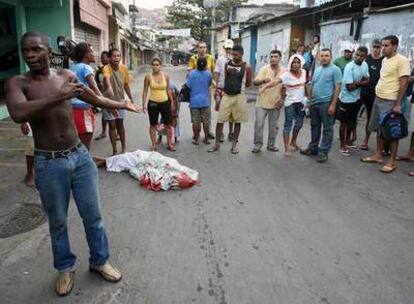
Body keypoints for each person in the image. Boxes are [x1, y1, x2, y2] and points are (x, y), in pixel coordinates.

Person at [5, 31, 138, 296]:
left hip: (79, 157)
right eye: (25, 51)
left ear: (49, 52)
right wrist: (59, 96)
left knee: (93, 216)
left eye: (35, 49)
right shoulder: (17, 83)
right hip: (48, 162)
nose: (30, 55)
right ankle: (65, 268)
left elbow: (94, 98)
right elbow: (19, 113)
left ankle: (100, 261)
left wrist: (121, 104)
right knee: (58, 222)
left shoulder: (66, 77)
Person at [361, 35, 410, 173]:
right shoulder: (385, 60)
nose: (383, 48)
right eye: (382, 45)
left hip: (391, 101)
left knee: (392, 131)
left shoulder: (402, 60)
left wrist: (398, 104)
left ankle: (392, 161)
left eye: (386, 45)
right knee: (379, 128)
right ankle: (378, 155)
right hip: (379, 98)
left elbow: (404, 82)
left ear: (394, 46)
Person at [208, 45, 253, 154]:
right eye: (233, 54)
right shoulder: (227, 64)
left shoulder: (247, 67)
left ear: (241, 54)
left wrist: (240, 88)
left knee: (237, 121)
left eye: (236, 55)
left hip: (239, 96)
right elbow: (226, 79)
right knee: (220, 120)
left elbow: (248, 83)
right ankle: (217, 144)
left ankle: (234, 146)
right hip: (226, 95)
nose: (233, 56)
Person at [260, 54, 307, 157]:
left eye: (298, 62)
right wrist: (265, 87)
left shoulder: (304, 72)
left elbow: (306, 86)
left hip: (301, 103)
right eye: (294, 62)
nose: (296, 64)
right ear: (290, 63)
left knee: (299, 124)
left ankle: (293, 141)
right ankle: (287, 148)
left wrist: (309, 100)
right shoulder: (286, 75)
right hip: (290, 104)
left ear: (301, 63)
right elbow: (275, 82)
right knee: (288, 125)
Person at [300, 48, 342, 163]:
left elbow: (338, 88)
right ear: (318, 57)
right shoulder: (317, 70)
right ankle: (313, 148)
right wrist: (309, 102)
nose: (324, 58)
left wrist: (333, 104)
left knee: (327, 129)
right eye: (322, 56)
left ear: (331, 56)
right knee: (314, 127)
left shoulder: (335, 70)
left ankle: (323, 152)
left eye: (327, 55)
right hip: (315, 103)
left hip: (326, 103)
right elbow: (312, 86)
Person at [337, 46, 370, 156]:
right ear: (354, 54)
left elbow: (368, 80)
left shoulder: (365, 65)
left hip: (356, 98)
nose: (358, 57)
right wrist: (361, 83)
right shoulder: (349, 67)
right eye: (357, 55)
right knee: (344, 123)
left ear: (365, 57)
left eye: (361, 56)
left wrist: (357, 83)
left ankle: (348, 141)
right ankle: (342, 145)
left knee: (352, 122)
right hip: (346, 99)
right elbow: (349, 87)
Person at [252, 49, 285, 153]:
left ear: (280, 58)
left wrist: (282, 99)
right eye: (271, 57)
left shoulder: (284, 71)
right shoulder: (264, 69)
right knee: (259, 124)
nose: (273, 59)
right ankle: (257, 145)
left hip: (275, 102)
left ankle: (271, 145)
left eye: (275, 57)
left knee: (274, 126)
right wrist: (263, 80)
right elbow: (255, 82)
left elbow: (285, 87)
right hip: (262, 102)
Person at [70, 43, 102, 150]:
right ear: (85, 55)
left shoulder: (72, 67)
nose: (94, 54)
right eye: (91, 52)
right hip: (83, 110)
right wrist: (106, 103)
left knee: (75, 143)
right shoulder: (86, 68)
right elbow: (94, 87)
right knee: (85, 146)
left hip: (71, 110)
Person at [103, 48, 133, 155]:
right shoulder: (106, 68)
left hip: (120, 100)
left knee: (120, 124)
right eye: (114, 56)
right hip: (108, 101)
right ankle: (114, 150)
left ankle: (124, 147)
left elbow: (126, 84)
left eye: (118, 56)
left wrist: (131, 98)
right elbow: (106, 78)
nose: (116, 58)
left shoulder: (124, 68)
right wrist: (109, 88)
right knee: (112, 126)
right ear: (110, 58)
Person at [142, 57, 175, 151]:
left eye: (157, 65)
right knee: (153, 125)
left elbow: (168, 89)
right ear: (151, 66)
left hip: (165, 102)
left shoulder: (166, 76)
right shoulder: (148, 77)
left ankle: (170, 144)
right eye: (153, 65)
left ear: (160, 66)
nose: (155, 67)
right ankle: (153, 145)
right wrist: (143, 104)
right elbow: (145, 91)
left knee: (168, 124)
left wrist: (172, 101)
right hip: (153, 103)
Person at [188, 41, 216, 139]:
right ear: (197, 48)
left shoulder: (211, 58)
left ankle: (208, 132)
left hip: (208, 88)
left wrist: (214, 84)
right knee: (196, 113)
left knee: (207, 112)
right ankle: (196, 133)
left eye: (204, 47)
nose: (202, 49)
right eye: (200, 47)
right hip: (196, 88)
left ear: (206, 48)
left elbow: (213, 72)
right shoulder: (193, 58)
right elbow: (190, 72)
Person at [360, 39, 383, 150]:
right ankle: (348, 137)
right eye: (374, 46)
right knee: (353, 113)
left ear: (381, 48)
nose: (376, 49)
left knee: (370, 117)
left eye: (378, 47)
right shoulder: (367, 58)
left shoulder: (384, 60)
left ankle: (366, 140)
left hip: (374, 93)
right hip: (362, 90)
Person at [186, 57, 212, 145]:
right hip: (205, 101)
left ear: (196, 64)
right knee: (206, 121)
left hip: (194, 101)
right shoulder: (208, 74)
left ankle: (197, 139)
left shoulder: (191, 74)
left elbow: (188, 86)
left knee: (196, 122)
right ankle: (207, 139)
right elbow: (209, 84)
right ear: (205, 65)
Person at [214, 39, 235, 142]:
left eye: (230, 48)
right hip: (222, 87)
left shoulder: (236, 60)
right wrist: (216, 87)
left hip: (233, 89)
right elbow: (217, 74)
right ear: (224, 48)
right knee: (222, 112)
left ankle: (231, 133)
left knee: (232, 113)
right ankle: (220, 133)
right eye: (227, 48)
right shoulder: (220, 60)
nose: (228, 50)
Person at [95, 51, 110, 140]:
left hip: (111, 95)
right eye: (102, 57)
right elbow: (95, 81)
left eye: (104, 57)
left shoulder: (111, 68)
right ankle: (104, 132)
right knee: (104, 115)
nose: (103, 59)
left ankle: (117, 133)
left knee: (114, 115)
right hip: (102, 94)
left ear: (109, 58)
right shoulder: (99, 69)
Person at [21, 122, 34, 187]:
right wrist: (24, 122)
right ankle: (30, 173)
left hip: (50, 121)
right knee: (31, 149)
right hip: (32, 122)